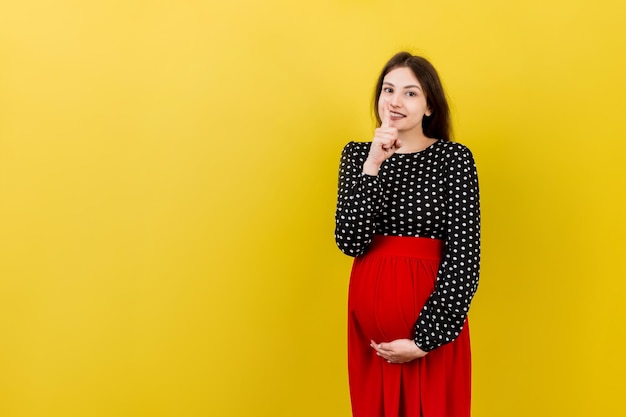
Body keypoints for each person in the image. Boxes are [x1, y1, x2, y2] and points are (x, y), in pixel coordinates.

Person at [334, 52, 480, 417]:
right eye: (389, 90)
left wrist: (424, 340)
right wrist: (373, 164)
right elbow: (350, 241)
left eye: (411, 93)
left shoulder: (454, 159)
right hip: (373, 343)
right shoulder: (357, 156)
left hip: (431, 333)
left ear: (430, 105)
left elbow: (465, 257)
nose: (395, 101)